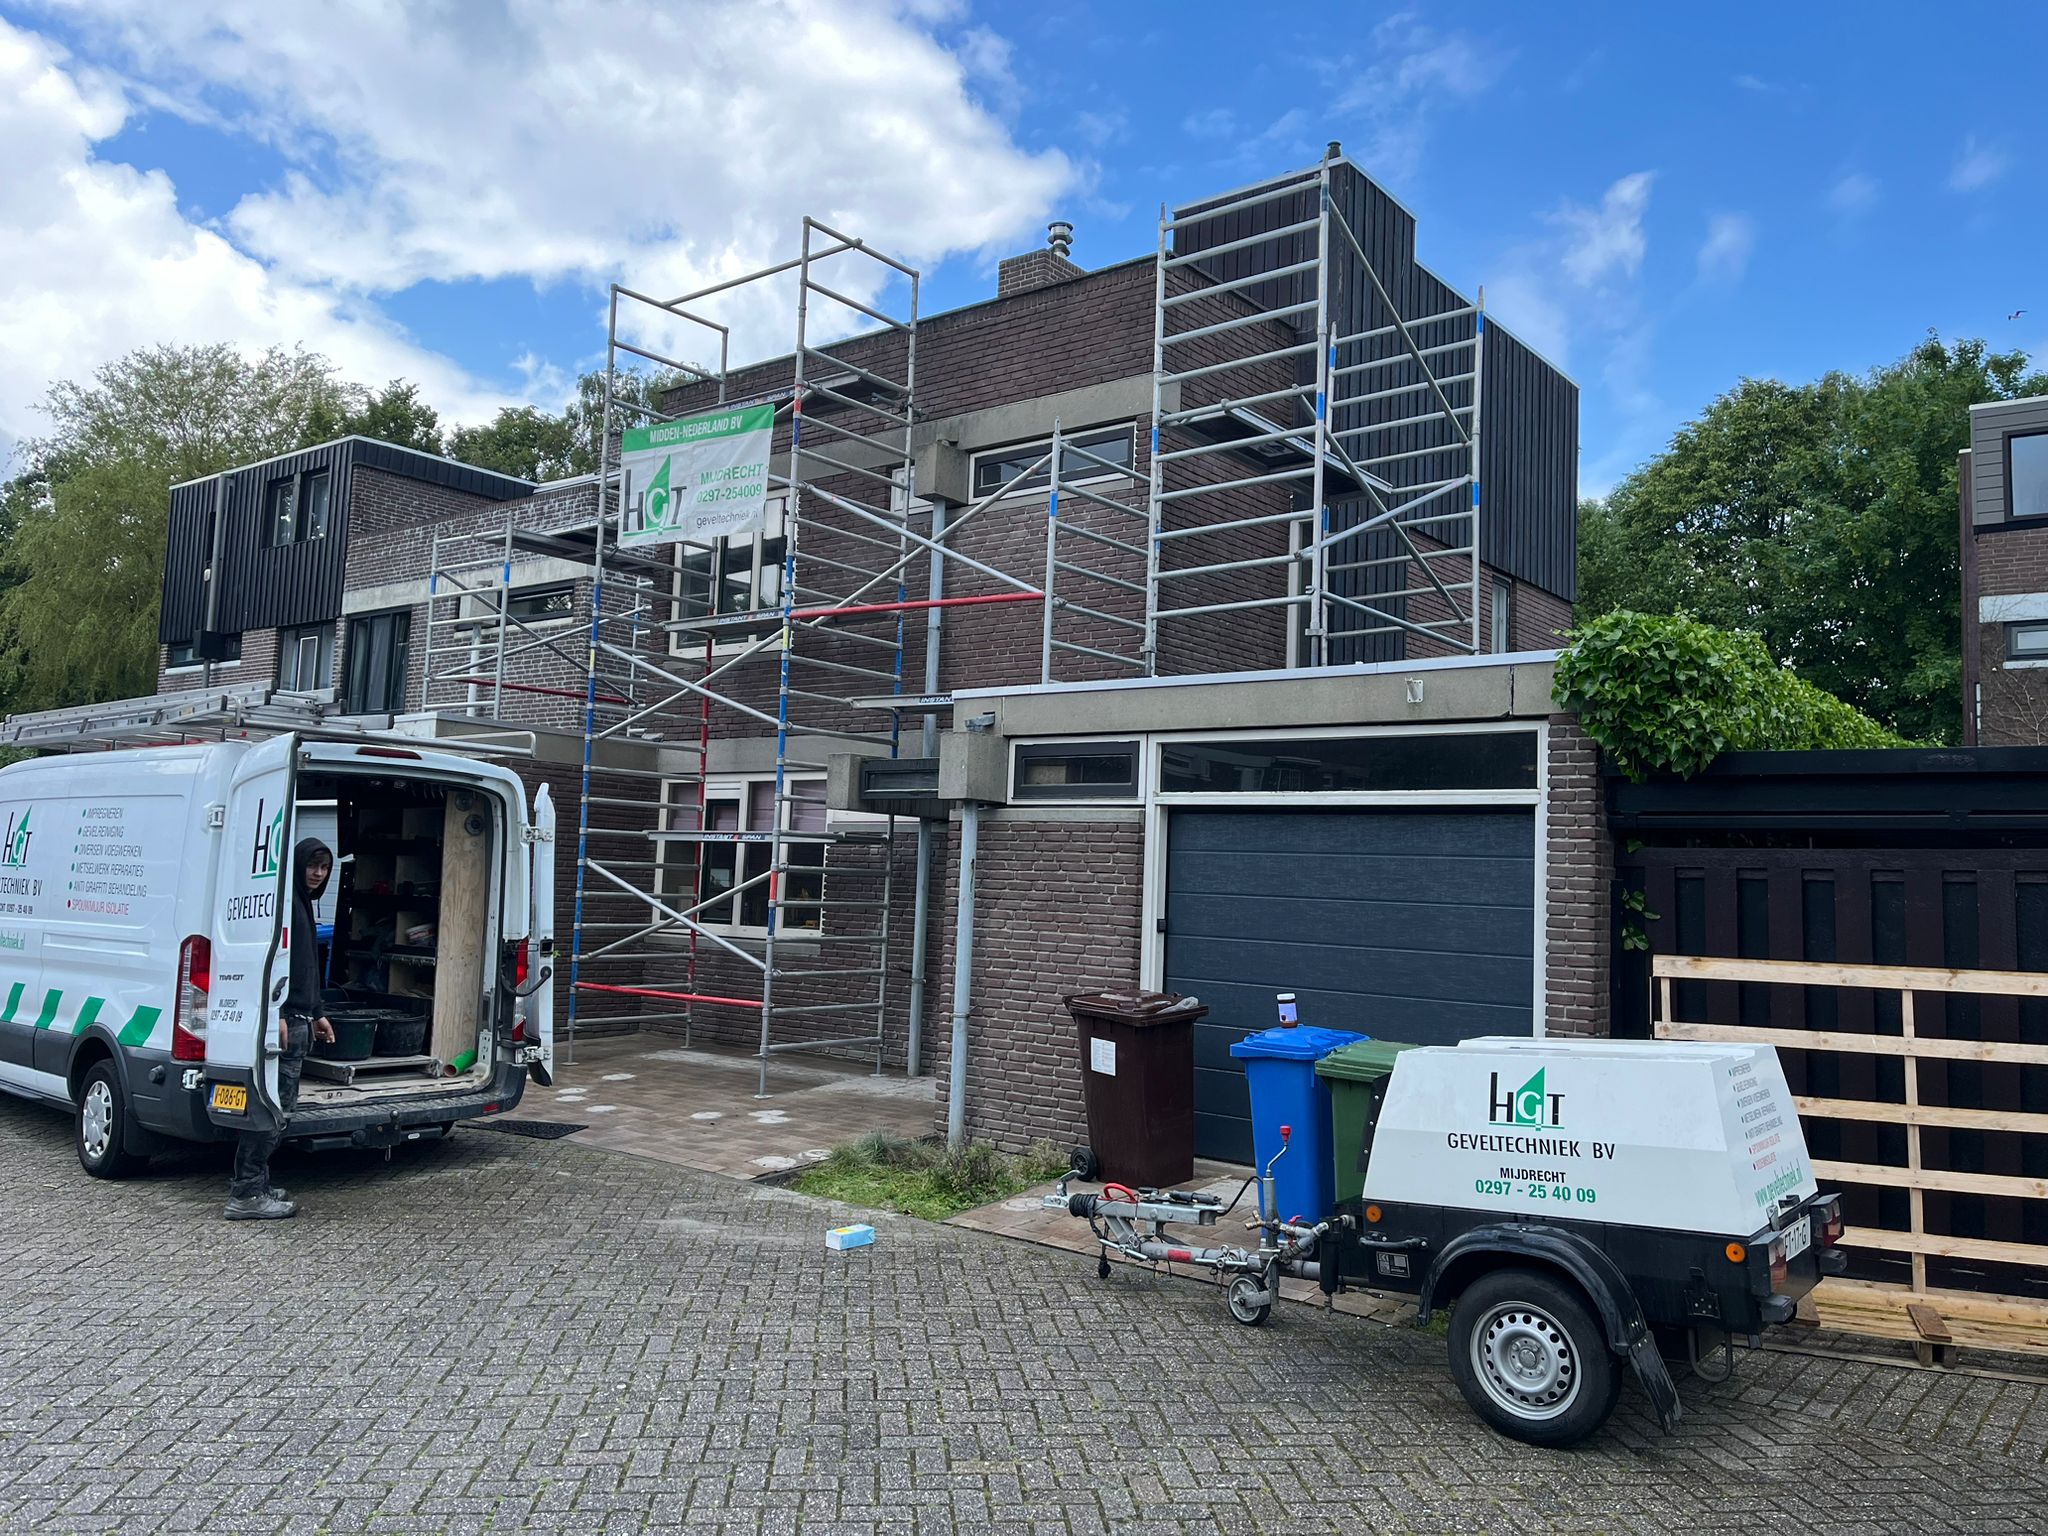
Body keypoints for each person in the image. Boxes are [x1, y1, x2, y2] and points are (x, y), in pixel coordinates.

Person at [224, 837, 336, 1220]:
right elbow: (273, 962)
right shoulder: (285, 905)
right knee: (272, 1111)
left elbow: (305, 968)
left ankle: (257, 1183)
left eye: (324, 868)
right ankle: (246, 1193)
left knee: (280, 1111)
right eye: (312, 866)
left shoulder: (303, 904)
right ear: (297, 865)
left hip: (301, 1020)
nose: (318, 874)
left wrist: (317, 1012)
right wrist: (279, 1014)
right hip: (285, 1024)